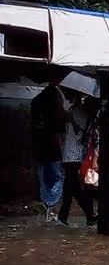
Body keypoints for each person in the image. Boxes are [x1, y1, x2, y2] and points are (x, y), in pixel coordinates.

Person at [55, 88, 97, 227]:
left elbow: (65, 119)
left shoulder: (77, 112)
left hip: (71, 155)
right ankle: (63, 217)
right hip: (77, 155)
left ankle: (89, 215)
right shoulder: (90, 116)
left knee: (74, 188)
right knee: (69, 187)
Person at [30, 86, 64, 217]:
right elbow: (59, 131)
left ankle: (44, 201)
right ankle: (48, 202)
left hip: (38, 148)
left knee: (42, 176)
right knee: (58, 177)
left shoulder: (36, 104)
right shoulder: (55, 108)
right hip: (52, 150)